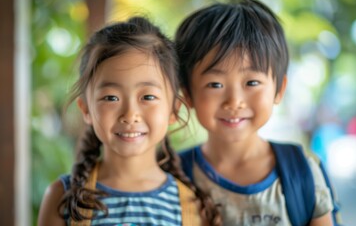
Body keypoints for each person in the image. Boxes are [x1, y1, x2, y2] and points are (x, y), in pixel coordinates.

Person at [38, 16, 221, 226]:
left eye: (148, 97)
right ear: (86, 109)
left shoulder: (194, 207)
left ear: (174, 110)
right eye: (111, 98)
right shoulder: (62, 198)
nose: (130, 114)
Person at [175, 0, 340, 226]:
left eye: (251, 83)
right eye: (215, 84)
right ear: (187, 94)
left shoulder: (301, 172)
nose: (234, 102)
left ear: (279, 90)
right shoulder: (174, 175)